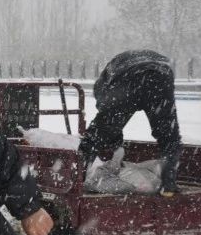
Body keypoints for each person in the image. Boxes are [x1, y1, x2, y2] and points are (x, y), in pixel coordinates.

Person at [77, 49, 182, 196]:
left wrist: (112, 139)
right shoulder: (119, 67)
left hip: (129, 77)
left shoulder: (103, 85)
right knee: (169, 135)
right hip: (161, 75)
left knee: (96, 134)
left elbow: (107, 120)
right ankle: (168, 184)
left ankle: (77, 178)